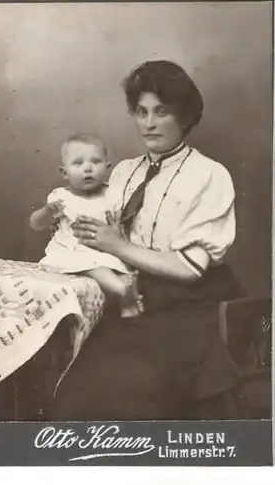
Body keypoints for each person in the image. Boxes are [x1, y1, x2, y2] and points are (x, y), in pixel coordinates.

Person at [52, 60, 245, 421]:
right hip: (128, 303)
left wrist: (116, 246)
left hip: (186, 310)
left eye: (161, 112)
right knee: (76, 389)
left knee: (134, 390)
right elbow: (95, 234)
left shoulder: (208, 175)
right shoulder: (123, 171)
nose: (149, 123)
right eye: (141, 112)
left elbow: (190, 268)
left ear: (184, 117)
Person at [29, 133, 141, 317]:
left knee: (117, 265)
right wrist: (47, 212)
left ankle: (129, 305)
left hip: (105, 250)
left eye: (95, 162)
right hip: (71, 251)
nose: (88, 168)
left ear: (107, 167)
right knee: (92, 265)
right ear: (64, 172)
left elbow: (121, 224)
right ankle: (124, 290)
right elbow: (36, 224)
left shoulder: (113, 195)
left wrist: (117, 234)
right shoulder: (61, 198)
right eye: (78, 163)